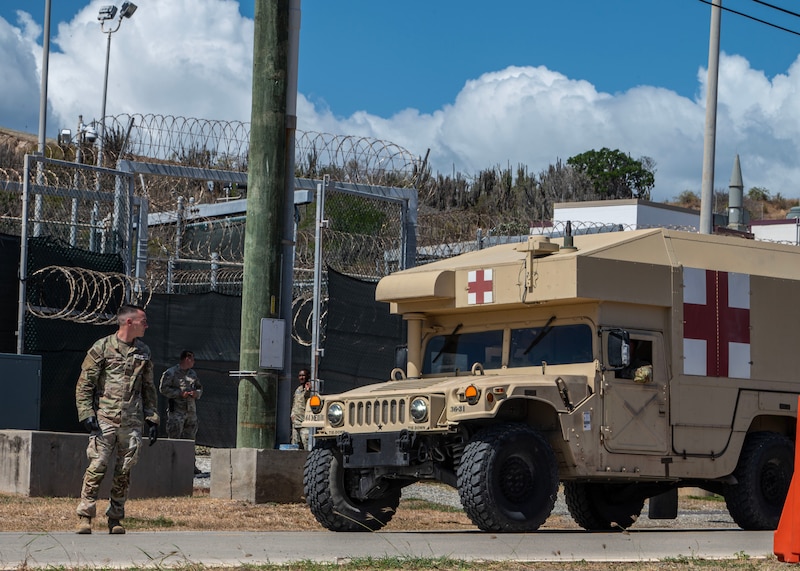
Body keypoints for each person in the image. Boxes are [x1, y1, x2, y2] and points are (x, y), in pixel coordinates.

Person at [75, 304, 159, 535]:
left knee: (124, 470)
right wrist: (86, 414)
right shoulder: (102, 347)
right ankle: (85, 516)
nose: (147, 325)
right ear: (129, 322)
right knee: (97, 465)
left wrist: (152, 418)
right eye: (143, 321)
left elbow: (148, 387)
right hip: (105, 419)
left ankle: (115, 518)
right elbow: (85, 384)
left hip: (131, 421)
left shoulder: (143, 351)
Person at [159, 350, 203, 473]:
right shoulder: (171, 373)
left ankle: (190, 465)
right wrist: (179, 394)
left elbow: (199, 388)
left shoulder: (192, 374)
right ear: (187, 359)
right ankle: (170, 465)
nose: (193, 362)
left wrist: (196, 394)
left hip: (191, 411)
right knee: (174, 438)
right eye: (192, 359)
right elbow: (163, 389)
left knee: (190, 439)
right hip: (177, 412)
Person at [291, 368, 311, 449]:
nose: (301, 377)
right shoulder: (298, 389)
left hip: (304, 423)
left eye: (303, 375)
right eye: (300, 376)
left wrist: (308, 390)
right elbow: (295, 403)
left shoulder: (310, 389)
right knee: (295, 445)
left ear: (307, 376)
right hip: (296, 423)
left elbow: (308, 396)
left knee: (306, 444)